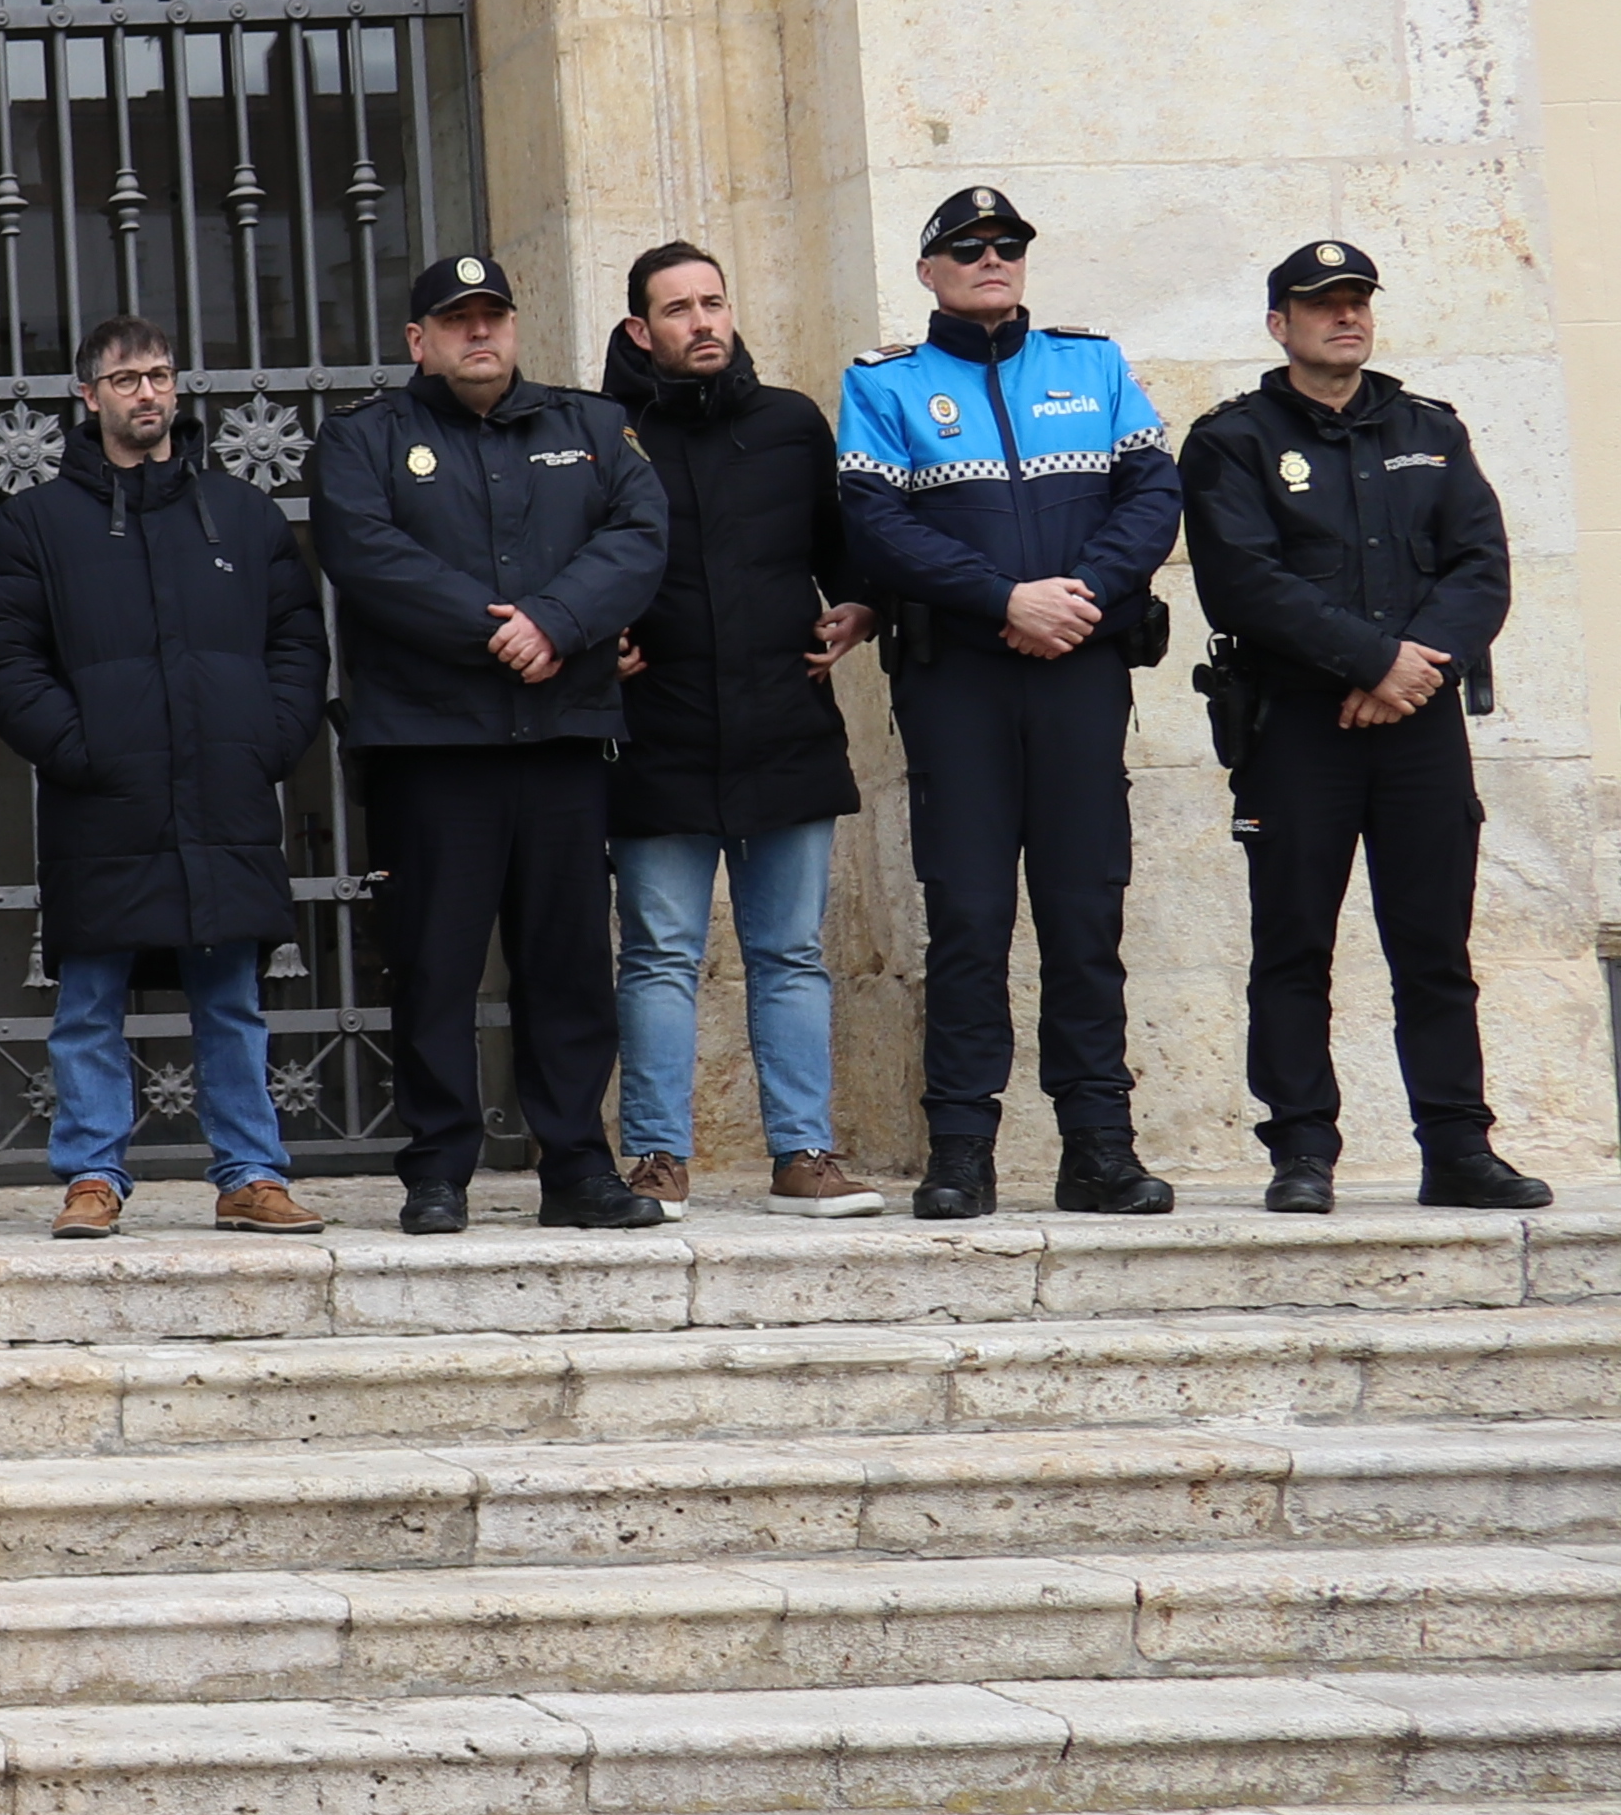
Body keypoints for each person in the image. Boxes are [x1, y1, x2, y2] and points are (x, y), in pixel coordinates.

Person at [832, 186, 1186, 1220]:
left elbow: (1154, 494)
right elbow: (877, 524)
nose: (994, 259)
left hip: (1080, 664)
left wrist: (1075, 598)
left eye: (1009, 246)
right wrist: (1004, 600)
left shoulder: (1093, 363)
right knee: (970, 917)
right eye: (970, 248)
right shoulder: (887, 383)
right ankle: (960, 1150)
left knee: (1085, 913)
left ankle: (1099, 1148)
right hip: (962, 678)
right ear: (930, 270)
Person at [1183, 238, 1554, 1216]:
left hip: (1419, 723)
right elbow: (1244, 583)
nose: (1344, 316)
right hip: (1298, 727)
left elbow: (1481, 564)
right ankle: (1302, 1149)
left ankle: (1458, 1146)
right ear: (1280, 324)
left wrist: (1408, 669)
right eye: (1321, 303)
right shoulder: (1235, 442)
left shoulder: (1431, 429)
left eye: (1356, 301)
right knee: (1293, 943)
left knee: (1433, 946)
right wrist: (1371, 661)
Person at [314, 252, 669, 1234]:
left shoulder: (593, 428)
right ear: (418, 340)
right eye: (456, 320)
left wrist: (556, 619)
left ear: (515, 327)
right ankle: (438, 1168)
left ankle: (577, 1167)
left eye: (494, 317)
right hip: (432, 749)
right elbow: (366, 553)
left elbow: (640, 535)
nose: (480, 333)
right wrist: (496, 626)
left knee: (566, 964)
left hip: (559, 740)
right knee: (433, 965)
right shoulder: (364, 440)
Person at [0, 316, 328, 1241]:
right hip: (102, 802)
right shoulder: (36, 525)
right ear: (88, 398)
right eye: (126, 379)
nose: (148, 394)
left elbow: (297, 641)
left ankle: (251, 1172)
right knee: (89, 999)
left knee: (230, 996)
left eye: (161, 375)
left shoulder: (241, 516)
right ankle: (92, 1173)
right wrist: (81, 749)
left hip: (224, 795)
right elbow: (4, 661)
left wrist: (266, 740)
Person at [598, 246, 881, 1213]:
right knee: (660, 953)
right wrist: (599, 639)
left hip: (784, 725)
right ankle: (656, 1158)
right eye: (678, 309)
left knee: (790, 951)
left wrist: (861, 608)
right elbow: (575, 564)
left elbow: (844, 552)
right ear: (642, 330)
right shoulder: (608, 433)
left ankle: (805, 1154)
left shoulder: (793, 423)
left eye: (714, 301)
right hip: (658, 731)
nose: (702, 321)